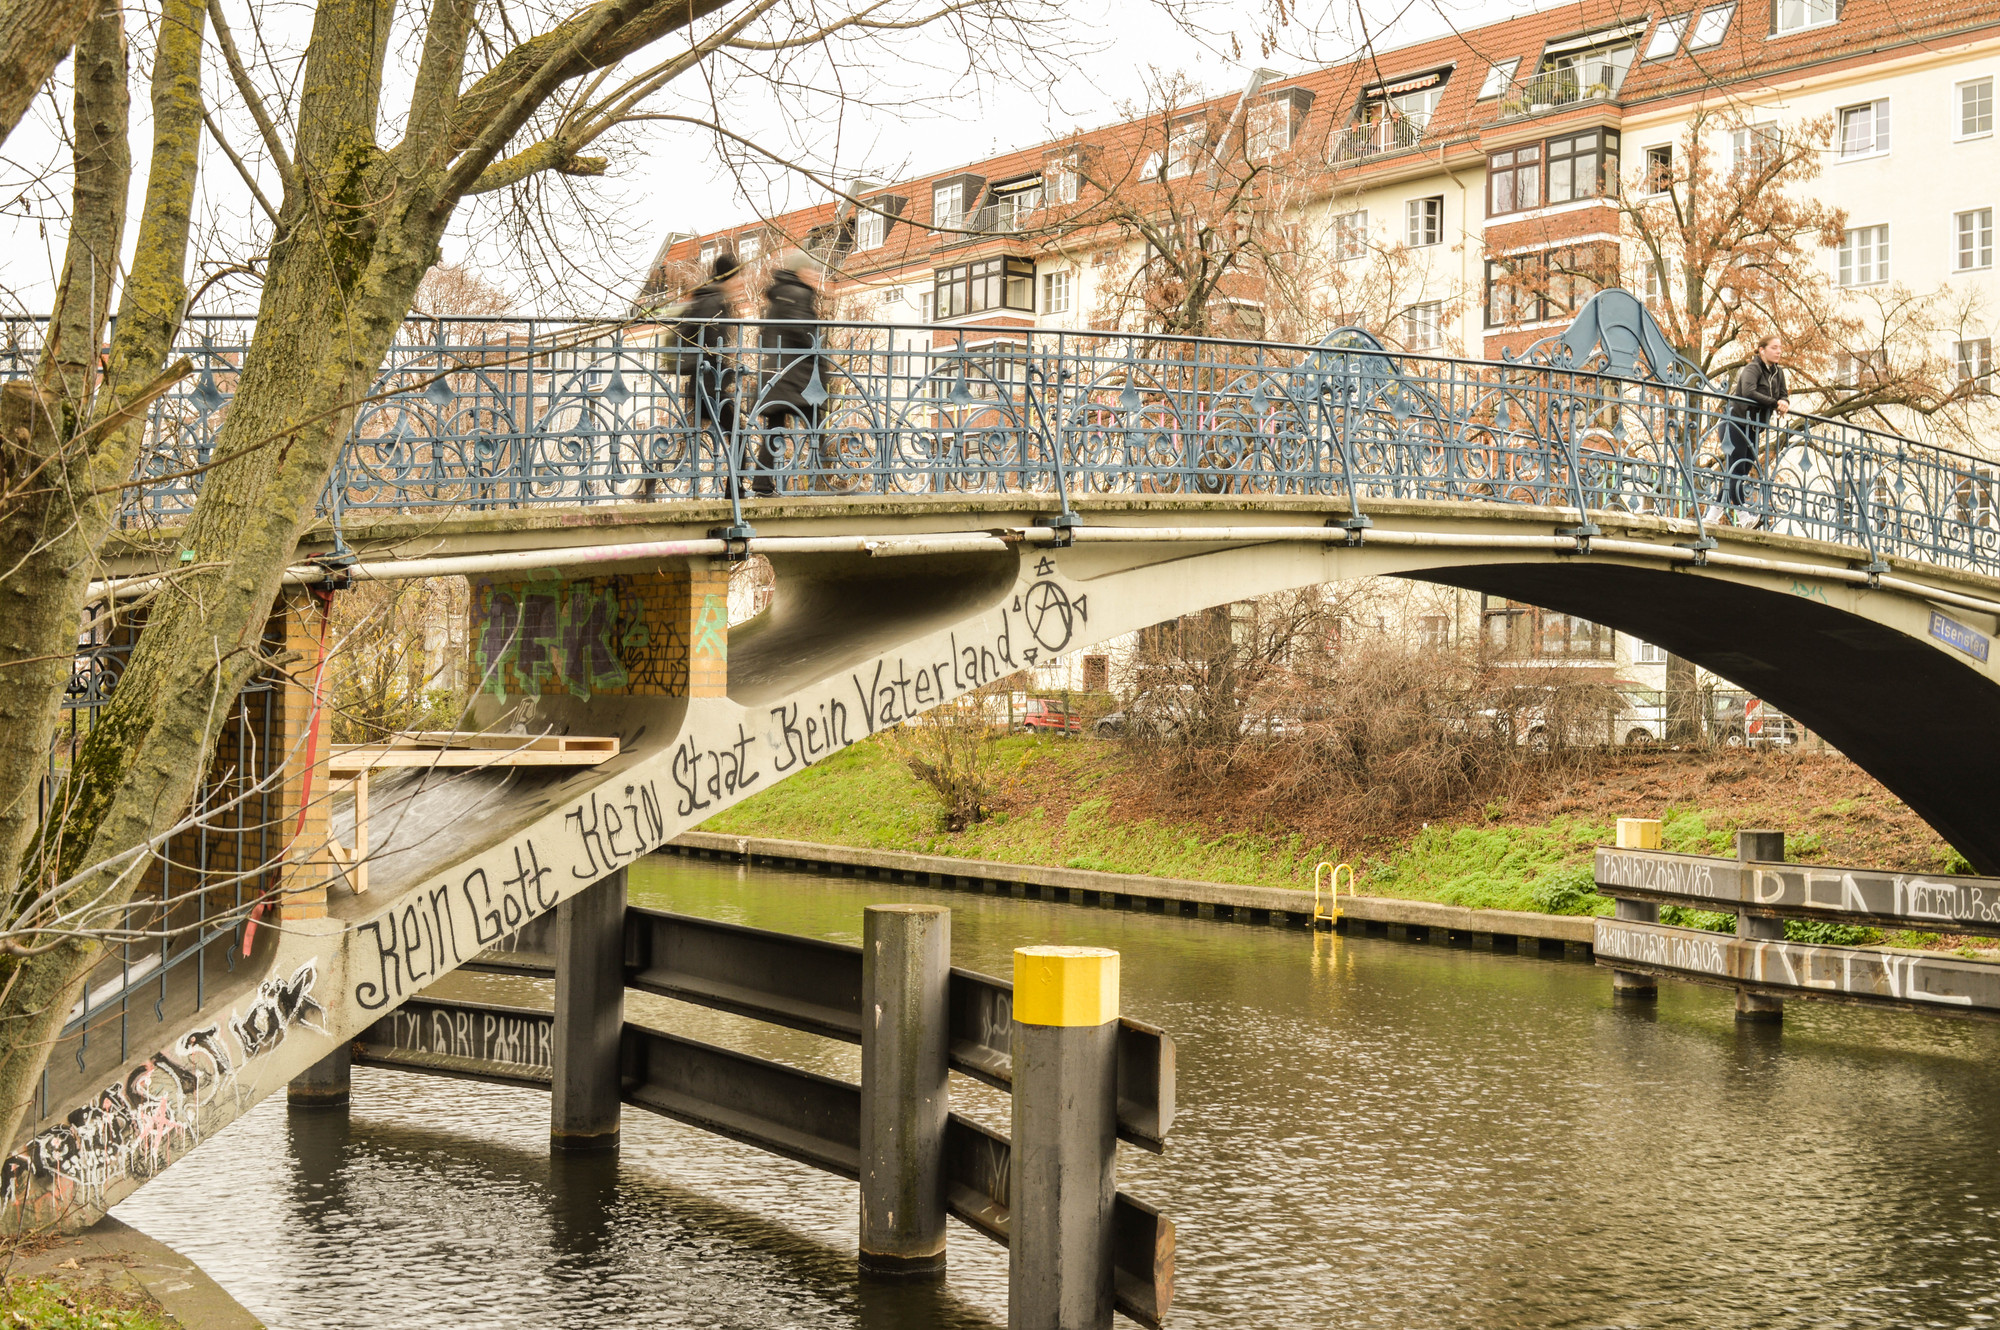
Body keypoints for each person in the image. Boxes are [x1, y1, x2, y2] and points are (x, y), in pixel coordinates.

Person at [752, 250, 828, 497]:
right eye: (810, 269)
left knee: (774, 428)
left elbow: (765, 334)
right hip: (797, 375)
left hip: (776, 373)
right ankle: (826, 479)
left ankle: (762, 484)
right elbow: (806, 332)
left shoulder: (777, 296)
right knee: (818, 421)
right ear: (800, 271)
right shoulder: (798, 293)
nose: (814, 274)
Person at [676, 251, 744, 497]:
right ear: (729, 277)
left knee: (684, 439)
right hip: (708, 384)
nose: (740, 283)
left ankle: (649, 482)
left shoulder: (711, 299)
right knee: (738, 433)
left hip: (706, 382)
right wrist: (725, 370)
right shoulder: (713, 302)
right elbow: (712, 344)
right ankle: (734, 495)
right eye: (737, 278)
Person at [1723, 332, 1789, 524]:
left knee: (1742, 470)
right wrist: (1775, 403)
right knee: (1737, 469)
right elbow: (1749, 392)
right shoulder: (1752, 368)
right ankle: (1743, 517)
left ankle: (1711, 516)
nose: (1778, 351)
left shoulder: (1778, 372)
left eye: (1780, 348)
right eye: (1774, 348)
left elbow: (1783, 394)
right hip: (1735, 423)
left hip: (1753, 427)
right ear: (1762, 350)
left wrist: (1784, 401)